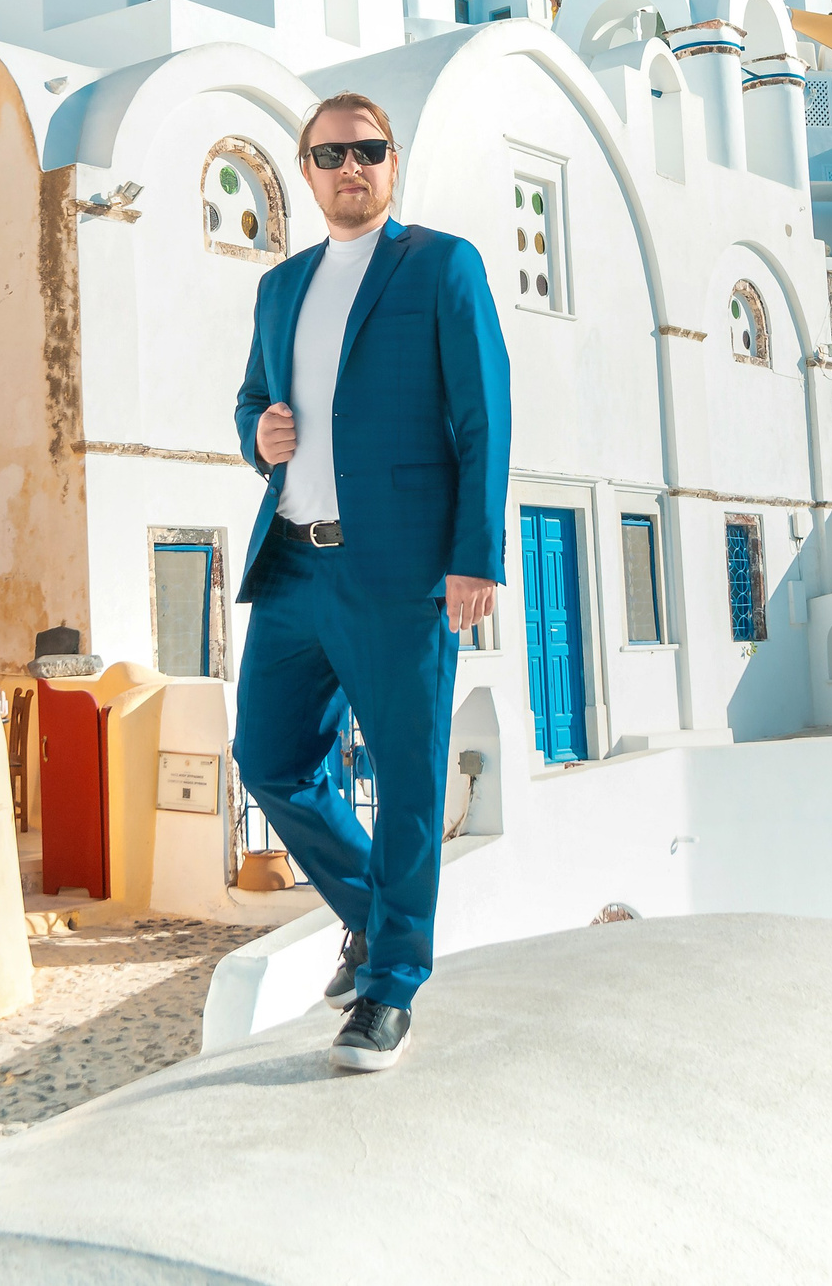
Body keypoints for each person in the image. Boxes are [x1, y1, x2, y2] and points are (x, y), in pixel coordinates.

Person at [231, 90, 510, 1075]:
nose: (350, 166)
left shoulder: (441, 266)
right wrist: (256, 434)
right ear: (305, 174)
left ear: (391, 164)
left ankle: (389, 988)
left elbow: (483, 416)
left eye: (368, 150)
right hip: (294, 560)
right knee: (267, 759)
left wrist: (475, 555)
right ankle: (373, 916)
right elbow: (251, 400)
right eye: (329, 154)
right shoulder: (279, 287)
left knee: (407, 777)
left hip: (401, 571)